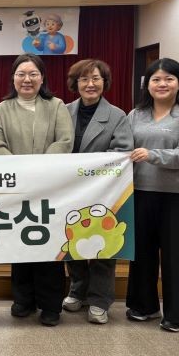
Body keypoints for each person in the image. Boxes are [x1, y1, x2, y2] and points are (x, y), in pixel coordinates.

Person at [0, 53, 73, 326]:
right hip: (17, 189)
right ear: (13, 78)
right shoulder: (1, 110)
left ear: (42, 78)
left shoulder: (56, 106)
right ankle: (23, 300)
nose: (27, 79)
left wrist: (40, 169)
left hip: (49, 189)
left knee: (49, 245)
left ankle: (51, 305)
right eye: (21, 74)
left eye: (33, 74)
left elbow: (65, 141)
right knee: (20, 244)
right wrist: (20, 171)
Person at [127, 58, 179, 333]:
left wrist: (153, 155)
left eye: (169, 79)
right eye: (156, 79)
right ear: (147, 85)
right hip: (140, 193)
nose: (162, 84)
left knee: (177, 257)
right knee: (142, 254)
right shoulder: (136, 114)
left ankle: (176, 314)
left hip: (178, 196)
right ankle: (144, 306)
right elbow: (124, 148)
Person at [61, 59, 133, 324]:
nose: (90, 84)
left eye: (95, 79)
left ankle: (100, 300)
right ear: (75, 83)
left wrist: (90, 170)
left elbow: (122, 151)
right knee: (73, 238)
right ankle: (77, 290)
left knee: (104, 245)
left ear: (105, 82)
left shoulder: (117, 115)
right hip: (68, 190)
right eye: (84, 79)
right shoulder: (63, 110)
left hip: (104, 191)